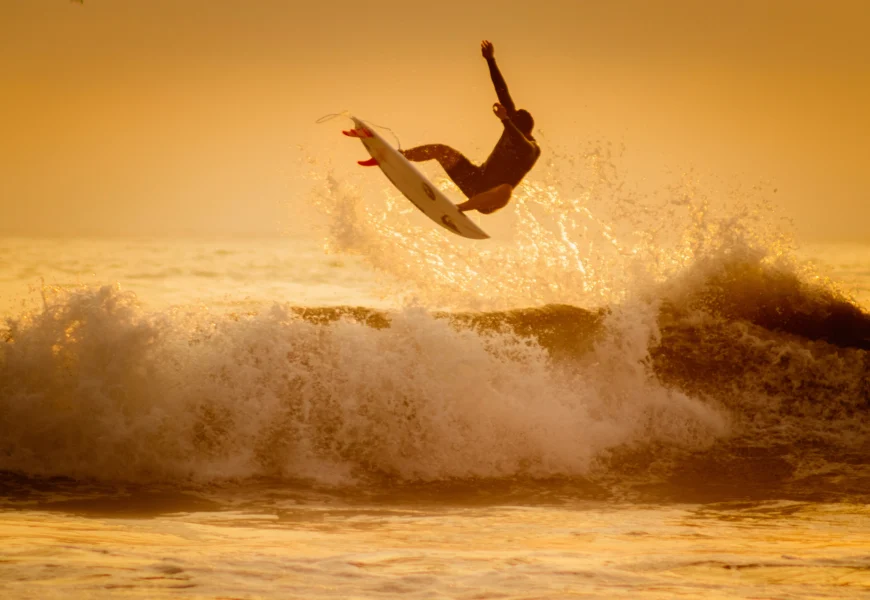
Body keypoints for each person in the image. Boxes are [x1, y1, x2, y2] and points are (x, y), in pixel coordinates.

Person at [354, 41, 540, 215]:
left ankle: (458, 208)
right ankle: (399, 156)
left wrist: (506, 120)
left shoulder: (530, 150)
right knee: (441, 150)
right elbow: (502, 91)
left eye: (510, 124)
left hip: (488, 200)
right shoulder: (512, 122)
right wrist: (490, 60)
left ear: (524, 131)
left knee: (506, 190)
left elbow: (519, 142)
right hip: (475, 178)